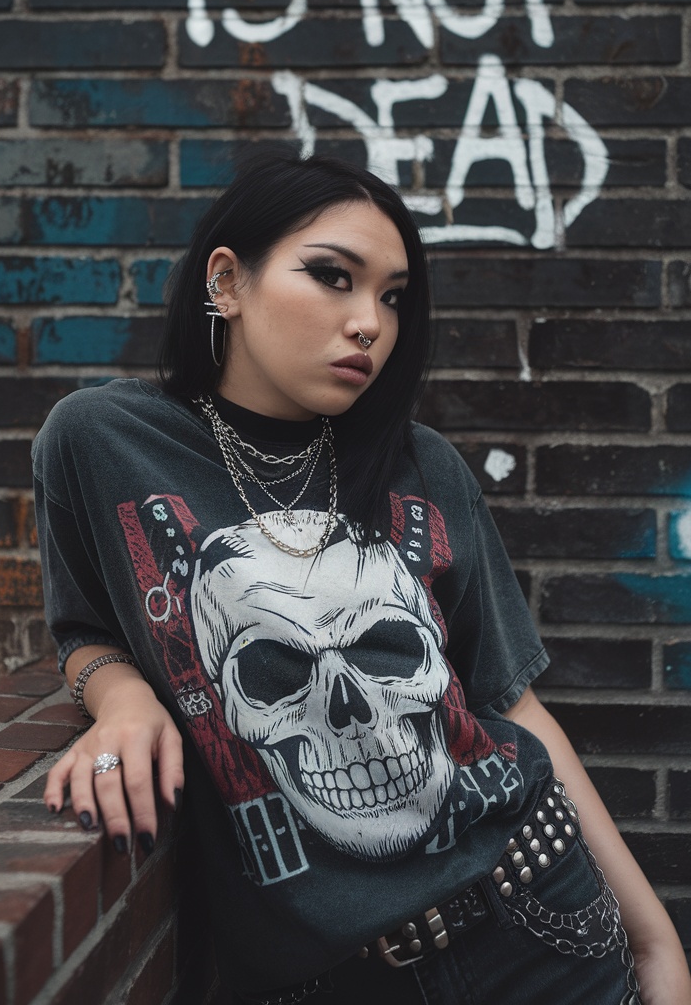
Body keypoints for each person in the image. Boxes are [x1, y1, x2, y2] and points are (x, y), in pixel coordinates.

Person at [33, 153, 689, 1005]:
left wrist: (656, 943)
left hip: (541, 921)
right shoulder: (102, 439)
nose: (369, 322)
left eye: (390, 295)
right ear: (226, 282)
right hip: (328, 979)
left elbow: (511, 704)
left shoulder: (426, 467)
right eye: (333, 277)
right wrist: (123, 698)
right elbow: (84, 627)